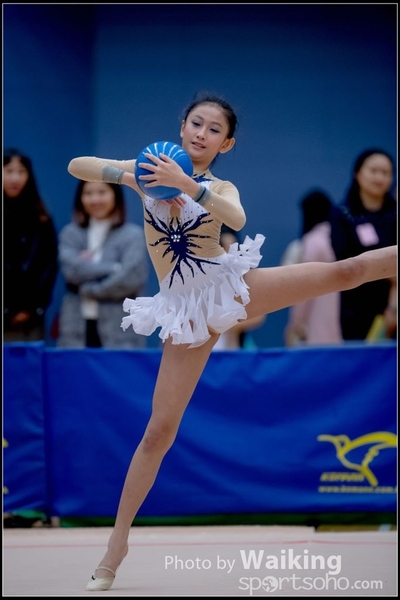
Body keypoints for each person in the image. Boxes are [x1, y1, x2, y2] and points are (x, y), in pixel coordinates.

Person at [67, 91, 397, 591]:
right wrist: (131, 174)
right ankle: (116, 547)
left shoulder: (220, 185)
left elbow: (236, 218)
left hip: (232, 289)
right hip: (184, 312)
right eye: (196, 123)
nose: (202, 133)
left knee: (345, 272)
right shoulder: (148, 169)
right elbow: (77, 165)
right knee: (158, 433)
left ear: (227, 143)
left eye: (214, 129)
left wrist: (187, 186)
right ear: (182, 127)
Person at [57, 180, 149, 348]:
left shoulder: (132, 235)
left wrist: (89, 290)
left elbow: (131, 277)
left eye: (102, 192)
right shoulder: (71, 233)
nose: (95, 199)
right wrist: (114, 268)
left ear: (115, 195)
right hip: (75, 326)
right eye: (88, 193)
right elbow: (71, 270)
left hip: (119, 330)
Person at [330, 149, 397, 342]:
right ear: (358, 173)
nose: (380, 177)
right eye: (374, 171)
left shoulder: (394, 213)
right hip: (356, 305)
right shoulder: (343, 213)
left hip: (393, 300)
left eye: (386, 173)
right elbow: (344, 260)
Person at [3, 148, 58, 343]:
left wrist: (34, 307)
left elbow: (49, 266)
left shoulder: (41, 217)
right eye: (9, 171)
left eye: (21, 171)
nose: (15, 178)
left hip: (31, 317)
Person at [283, 190, 342, 346]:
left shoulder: (313, 241)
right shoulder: (341, 235)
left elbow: (305, 286)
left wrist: (295, 325)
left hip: (319, 316)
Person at [213, 224, 266, 350]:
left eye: (232, 248)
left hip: (232, 345)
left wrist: (230, 326)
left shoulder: (244, 273)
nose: (228, 254)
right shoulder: (200, 273)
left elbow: (259, 316)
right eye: (223, 248)